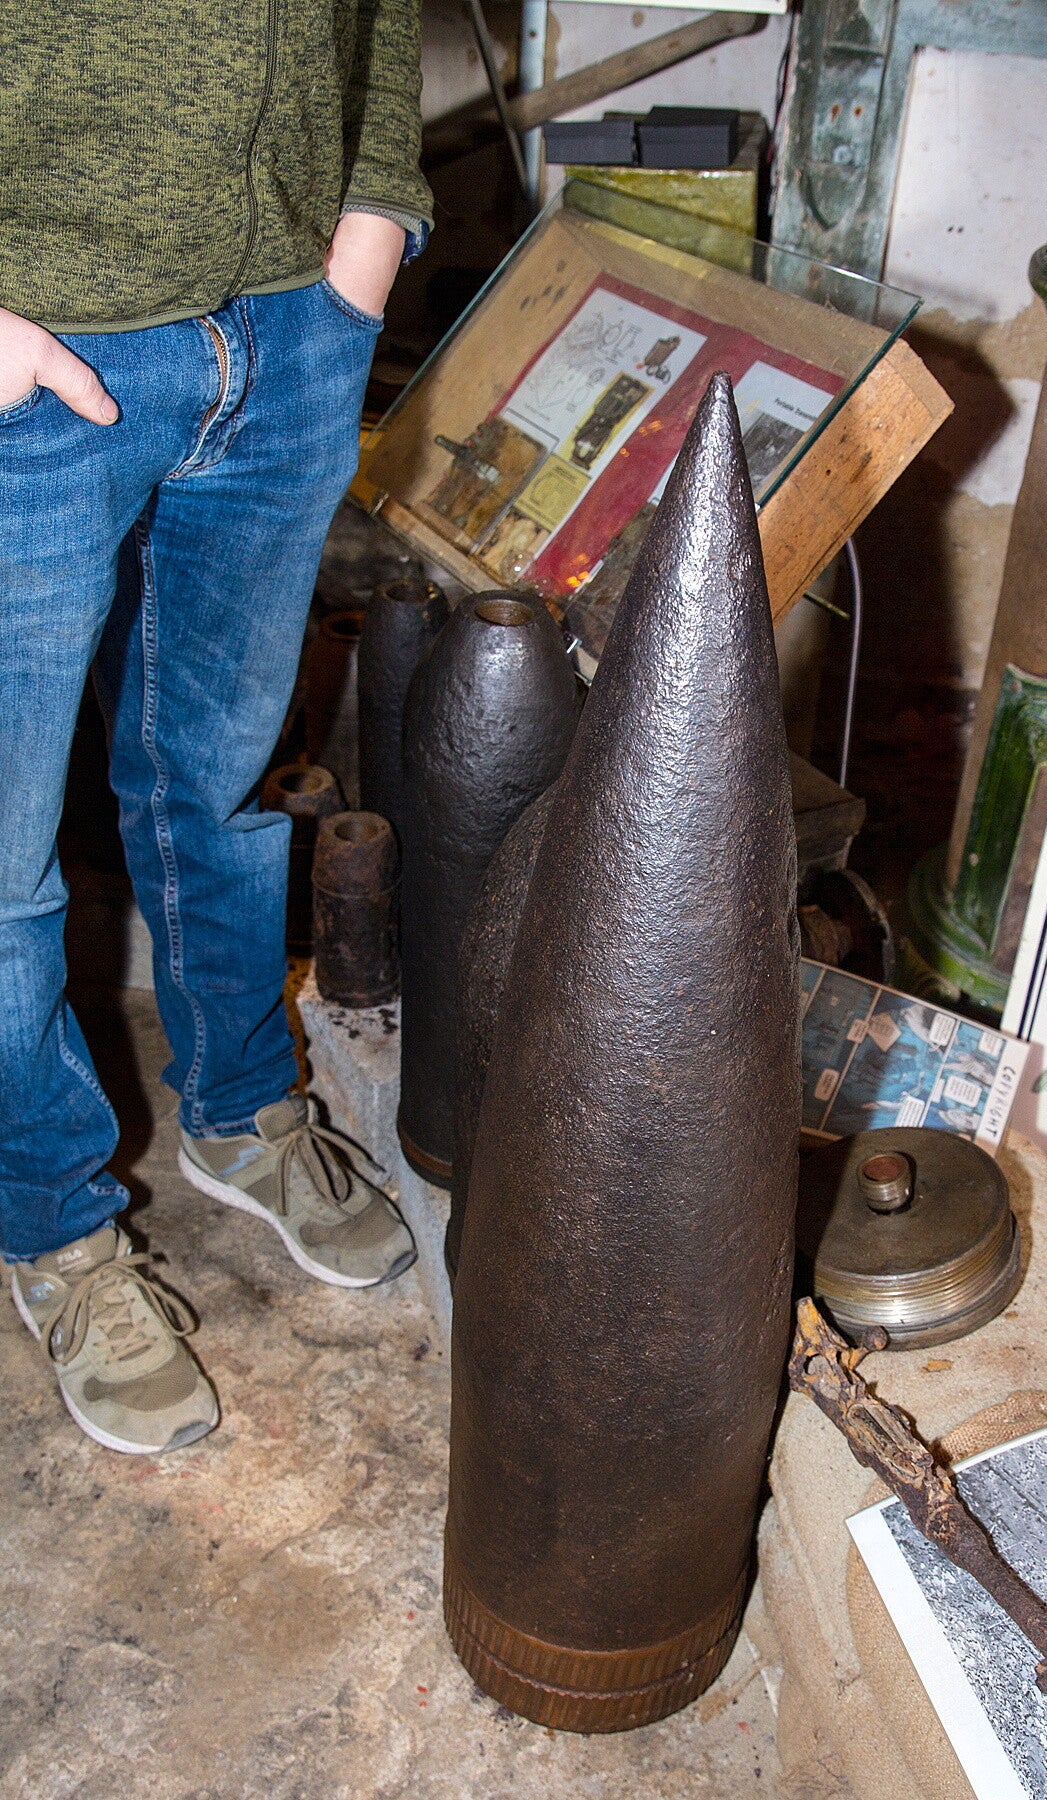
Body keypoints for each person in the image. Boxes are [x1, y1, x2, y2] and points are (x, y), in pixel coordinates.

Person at [0, 2, 433, 1455]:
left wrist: (370, 229)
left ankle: (242, 1109)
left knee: (223, 779)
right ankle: (52, 1225)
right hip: (26, 347)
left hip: (290, 331)